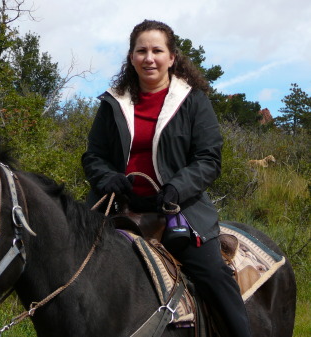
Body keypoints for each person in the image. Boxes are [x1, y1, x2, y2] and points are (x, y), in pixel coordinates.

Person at [82, 20, 252, 337]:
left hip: (179, 211)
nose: (149, 58)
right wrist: (106, 177)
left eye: (157, 50)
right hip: (118, 208)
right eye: (141, 50)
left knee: (213, 275)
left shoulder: (193, 101)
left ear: (171, 57)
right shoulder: (113, 103)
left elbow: (208, 158)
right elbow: (93, 155)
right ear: (131, 57)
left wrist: (176, 187)